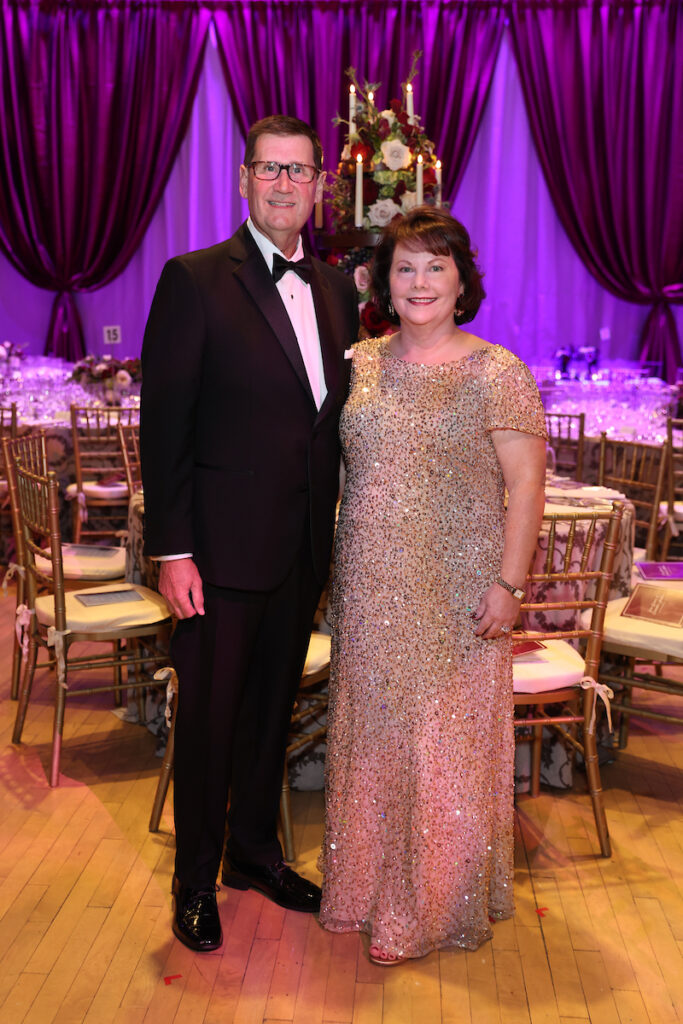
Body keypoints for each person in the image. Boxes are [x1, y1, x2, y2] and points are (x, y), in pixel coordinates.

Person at [140, 114, 359, 952]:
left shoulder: (338, 290)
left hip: (301, 551)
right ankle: (194, 881)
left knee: (270, 714)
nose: (283, 184)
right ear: (243, 180)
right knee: (209, 722)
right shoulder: (194, 279)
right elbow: (167, 430)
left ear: (317, 187)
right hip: (217, 557)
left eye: (299, 171)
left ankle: (253, 854)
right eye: (268, 169)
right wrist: (173, 550)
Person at [318, 207, 547, 963]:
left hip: (458, 591)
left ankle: (426, 910)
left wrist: (508, 585)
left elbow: (524, 489)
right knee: (373, 741)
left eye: (434, 267)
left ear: (460, 281)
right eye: (404, 268)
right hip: (368, 582)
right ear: (383, 281)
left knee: (440, 750)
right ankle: (362, 893)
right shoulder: (362, 362)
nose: (419, 283)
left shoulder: (497, 371)